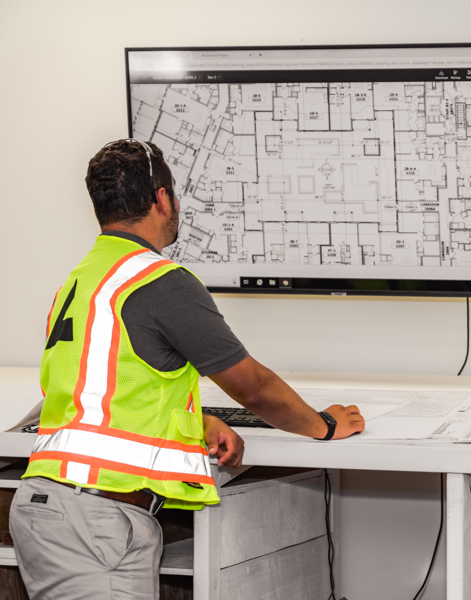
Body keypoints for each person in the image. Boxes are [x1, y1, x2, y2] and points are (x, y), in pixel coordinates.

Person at [9, 139, 366, 600]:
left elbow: (103, 394)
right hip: (96, 524)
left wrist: (195, 421)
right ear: (162, 199)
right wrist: (324, 425)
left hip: (44, 506)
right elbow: (253, 387)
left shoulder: (81, 281)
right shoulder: (159, 281)